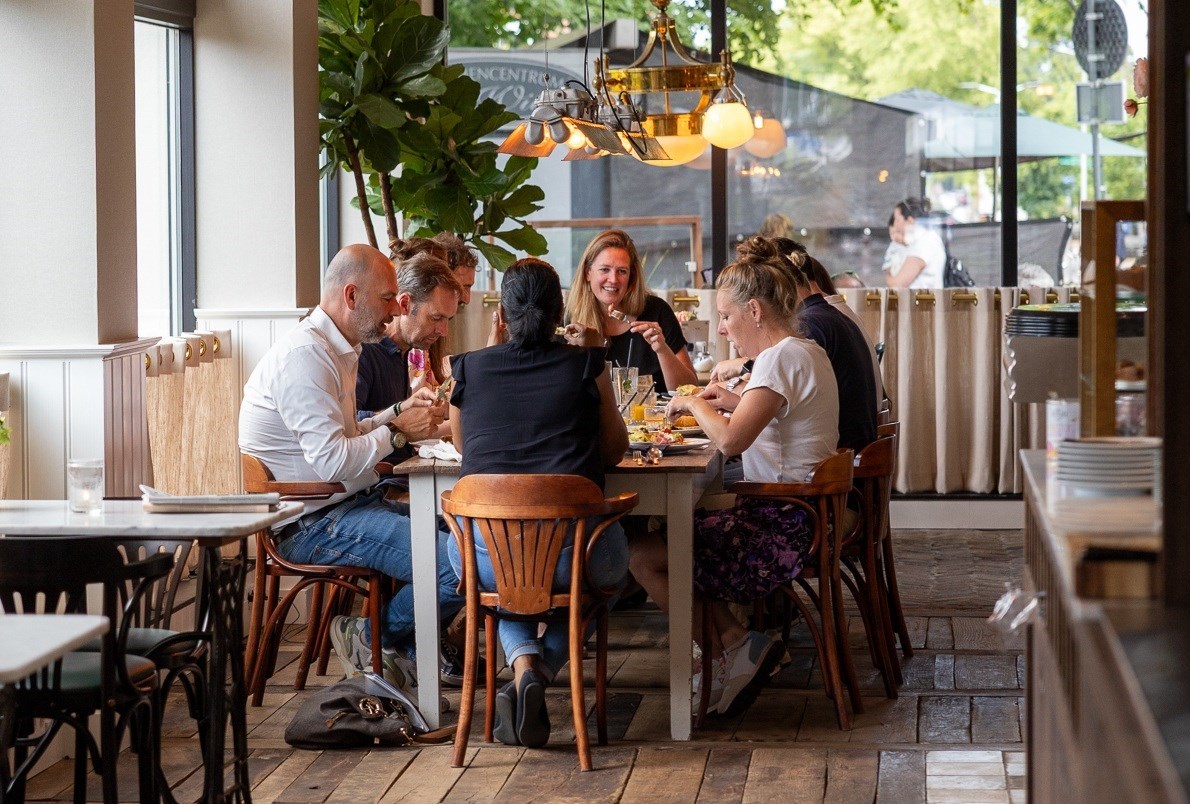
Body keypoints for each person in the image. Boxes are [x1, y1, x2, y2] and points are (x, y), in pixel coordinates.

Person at [238, 244, 464, 693]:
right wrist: (398, 432)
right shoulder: (304, 356)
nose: (394, 309)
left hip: (343, 504)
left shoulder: (336, 347)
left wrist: (393, 415)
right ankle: (369, 636)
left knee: (468, 539)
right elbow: (333, 460)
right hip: (309, 522)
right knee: (457, 565)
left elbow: (347, 433)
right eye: (387, 298)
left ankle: (403, 648)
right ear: (352, 295)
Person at [637, 237, 840, 716]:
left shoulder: (778, 358)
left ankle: (732, 646)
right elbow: (763, 408)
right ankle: (736, 646)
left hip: (778, 530)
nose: (724, 330)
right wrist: (725, 400)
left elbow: (729, 443)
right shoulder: (805, 351)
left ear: (754, 310)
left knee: (642, 553)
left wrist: (688, 400)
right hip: (803, 517)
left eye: (726, 317)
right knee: (670, 535)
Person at [446, 257, 630, 747]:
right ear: (559, 315)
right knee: (594, 577)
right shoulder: (586, 365)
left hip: (485, 558)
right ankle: (540, 669)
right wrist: (599, 365)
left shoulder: (467, 368)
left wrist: (489, 353)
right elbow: (615, 451)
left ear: (501, 316)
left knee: (507, 574)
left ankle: (523, 665)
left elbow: (467, 450)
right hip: (576, 559)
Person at [565, 229, 698, 393]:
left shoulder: (657, 311)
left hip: (654, 417)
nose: (613, 279)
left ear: (631, 276)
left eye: (622, 271)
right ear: (588, 273)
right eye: (604, 269)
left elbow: (690, 388)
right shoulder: (571, 320)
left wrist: (662, 349)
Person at [885, 198, 945, 288]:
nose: (895, 225)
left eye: (897, 220)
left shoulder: (924, 243)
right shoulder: (917, 242)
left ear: (909, 221)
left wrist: (887, 275)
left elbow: (897, 284)